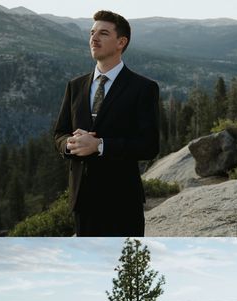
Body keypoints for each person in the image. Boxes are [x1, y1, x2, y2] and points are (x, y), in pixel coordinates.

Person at [54, 10, 160, 237]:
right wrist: (70, 144)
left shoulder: (143, 88)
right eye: (92, 33)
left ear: (121, 42)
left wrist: (100, 145)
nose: (94, 38)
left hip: (122, 201)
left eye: (103, 33)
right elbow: (59, 134)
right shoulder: (75, 86)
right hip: (83, 201)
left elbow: (149, 145)